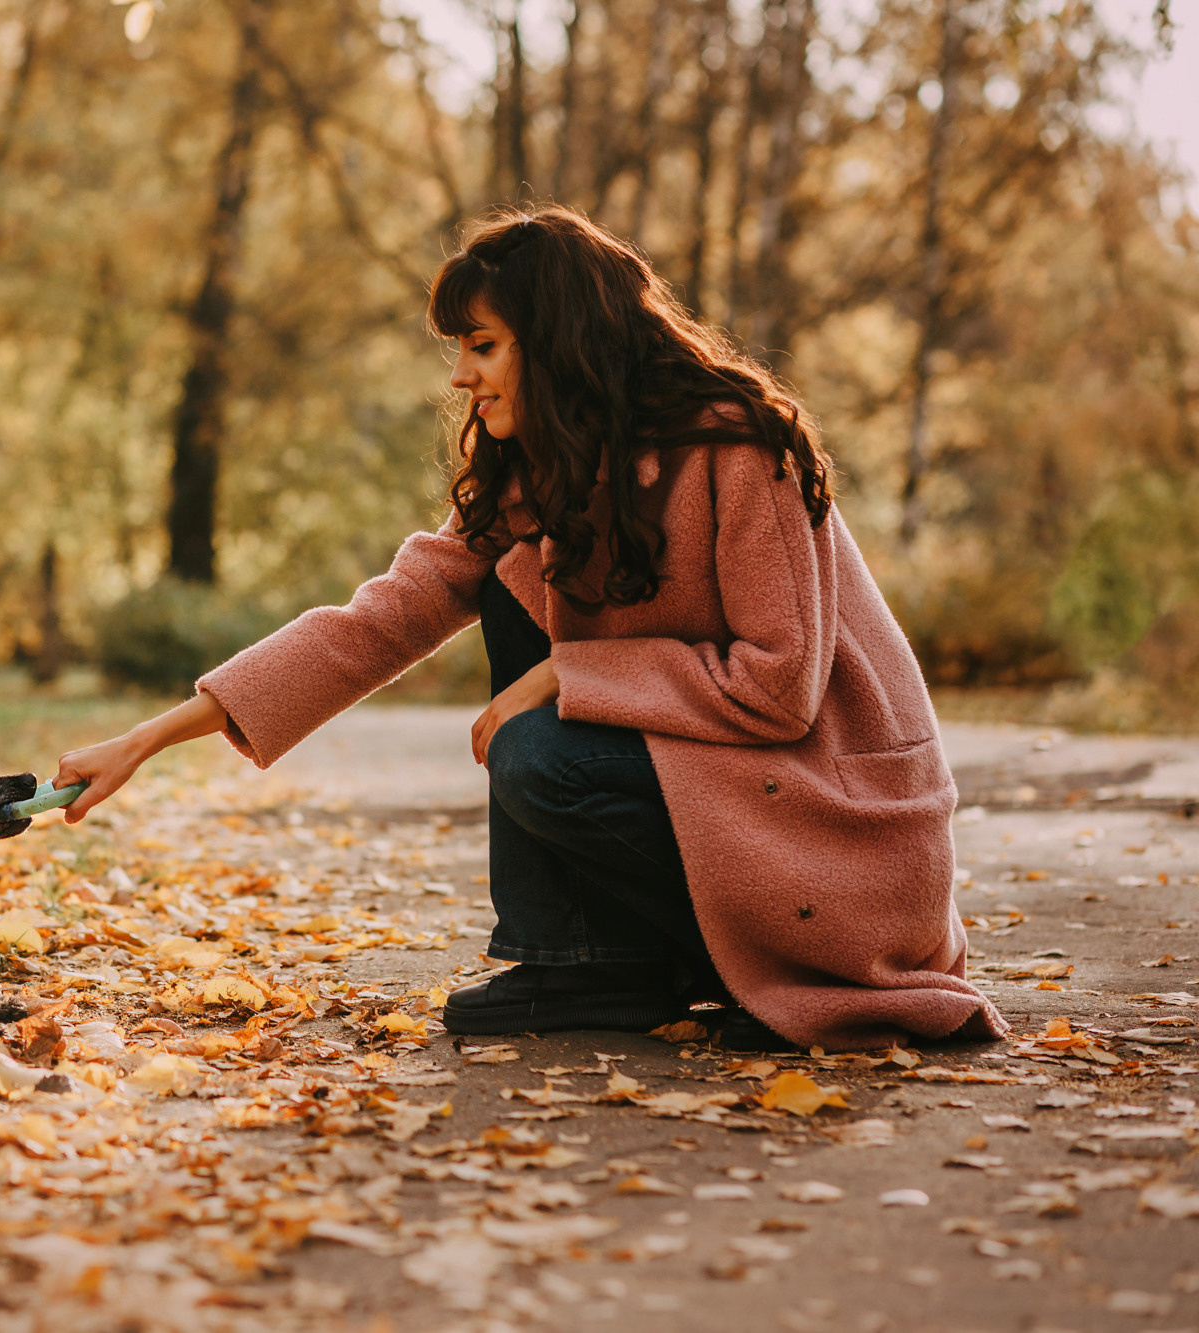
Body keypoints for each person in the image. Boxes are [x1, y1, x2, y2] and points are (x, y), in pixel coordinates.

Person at [52, 206, 1007, 1054]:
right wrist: (145, 740)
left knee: (538, 751)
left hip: (833, 825)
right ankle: (589, 962)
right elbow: (376, 622)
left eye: (483, 345)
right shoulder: (539, 474)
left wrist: (567, 675)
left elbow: (781, 682)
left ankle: (702, 963)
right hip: (737, 791)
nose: (462, 375)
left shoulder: (740, 445)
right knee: (512, 600)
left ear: (556, 341)